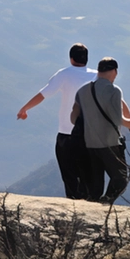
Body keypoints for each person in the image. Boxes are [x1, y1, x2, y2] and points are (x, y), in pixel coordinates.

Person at [16, 43, 97, 200]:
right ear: (87, 59)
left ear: (71, 58)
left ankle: (74, 204)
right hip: (91, 134)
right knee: (88, 173)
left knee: (69, 174)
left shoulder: (64, 74)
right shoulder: (96, 76)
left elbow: (43, 94)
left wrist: (24, 109)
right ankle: (89, 201)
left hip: (67, 132)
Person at [70, 57, 130, 203]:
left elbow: (73, 118)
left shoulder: (83, 91)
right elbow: (116, 118)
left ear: (99, 71)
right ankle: (105, 203)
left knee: (95, 186)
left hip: (90, 143)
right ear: (114, 71)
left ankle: (94, 208)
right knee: (120, 179)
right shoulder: (113, 90)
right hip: (110, 143)